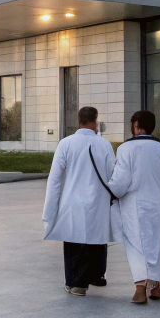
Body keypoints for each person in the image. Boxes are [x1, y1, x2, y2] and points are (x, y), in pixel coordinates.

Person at [41, 106, 116, 296]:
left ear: (79, 121)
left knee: (74, 241)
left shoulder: (66, 144)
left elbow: (55, 178)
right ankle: (96, 275)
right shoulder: (104, 145)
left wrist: (50, 208)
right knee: (97, 239)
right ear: (95, 121)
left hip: (72, 201)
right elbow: (112, 175)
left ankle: (76, 283)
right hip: (98, 202)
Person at [108, 109, 160, 305]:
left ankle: (140, 289)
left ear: (136, 126)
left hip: (135, 206)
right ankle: (156, 288)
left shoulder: (126, 148)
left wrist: (111, 192)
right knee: (159, 244)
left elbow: (120, 180)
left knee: (136, 245)